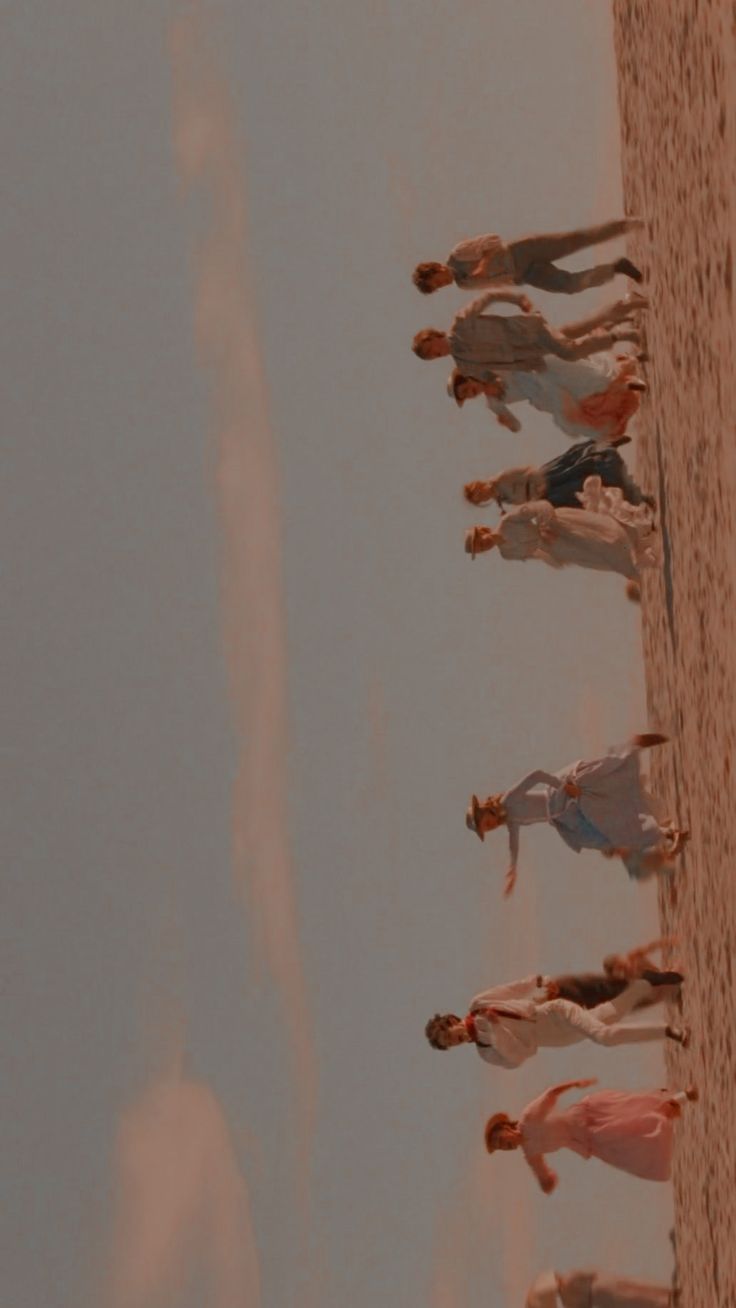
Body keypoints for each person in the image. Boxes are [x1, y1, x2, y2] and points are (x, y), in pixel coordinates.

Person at [465, 734, 689, 896]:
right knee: (609, 837)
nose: (492, 826)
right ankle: (668, 835)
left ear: (486, 810)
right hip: (562, 819)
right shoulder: (510, 820)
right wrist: (512, 869)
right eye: (488, 828)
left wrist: (563, 786)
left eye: (487, 823)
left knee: (608, 819)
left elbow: (537, 775)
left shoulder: (508, 799)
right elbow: (513, 843)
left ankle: (665, 834)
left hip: (560, 798)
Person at [424, 969, 686, 1069]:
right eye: (453, 1043)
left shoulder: (478, 1005)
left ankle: (668, 1031)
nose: (457, 1039)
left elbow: (509, 989)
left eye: (452, 1034)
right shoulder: (486, 1052)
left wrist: (538, 981)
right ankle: (644, 983)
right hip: (555, 1039)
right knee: (613, 1013)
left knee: (604, 1038)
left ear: (452, 1020)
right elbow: (519, 1055)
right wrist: (495, 1032)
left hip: (552, 1013)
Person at [484, 1079, 698, 1190]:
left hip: (586, 1116)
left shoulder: (528, 1117)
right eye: (503, 1147)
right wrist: (546, 1183)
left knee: (637, 1110)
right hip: (588, 1141)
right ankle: (679, 1102)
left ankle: (683, 1097)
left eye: (503, 1141)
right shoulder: (530, 1153)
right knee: (634, 1136)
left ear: (506, 1128)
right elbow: (543, 1174)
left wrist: (575, 1084)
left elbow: (551, 1093)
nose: (507, 1145)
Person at [447, 334, 646, 442]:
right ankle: (623, 389)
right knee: (575, 417)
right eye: (467, 397)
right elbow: (517, 427)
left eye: (466, 390)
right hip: (543, 395)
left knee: (587, 381)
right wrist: (506, 422)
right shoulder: (494, 403)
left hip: (542, 369)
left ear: (468, 377)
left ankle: (624, 379)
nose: (471, 394)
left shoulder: (491, 365)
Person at [412, 291, 641, 381]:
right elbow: (499, 368)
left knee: (569, 352)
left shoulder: (461, 323)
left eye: (433, 348)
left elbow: (488, 297)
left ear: (434, 336)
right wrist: (527, 366)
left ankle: (621, 334)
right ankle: (623, 306)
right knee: (578, 329)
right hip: (529, 351)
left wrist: (517, 300)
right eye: (434, 356)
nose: (438, 353)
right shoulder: (465, 366)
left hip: (525, 330)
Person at [464, 478, 660, 582]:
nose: (484, 545)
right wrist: (553, 556)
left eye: (480, 541)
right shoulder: (507, 554)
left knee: (608, 537)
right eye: (480, 548)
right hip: (560, 548)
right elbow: (535, 554)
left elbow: (540, 507)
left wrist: (545, 525)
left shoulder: (508, 522)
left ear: (483, 531)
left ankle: (641, 533)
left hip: (562, 526)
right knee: (602, 557)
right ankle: (642, 556)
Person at [412, 217, 643, 296]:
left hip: (522, 251)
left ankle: (626, 225)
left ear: (437, 269)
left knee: (577, 240)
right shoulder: (463, 285)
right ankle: (617, 268)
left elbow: (492, 240)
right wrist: (515, 284)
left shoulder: (457, 254)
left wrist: (484, 263)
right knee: (569, 286)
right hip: (524, 275)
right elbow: (495, 284)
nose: (444, 284)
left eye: (438, 280)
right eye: (439, 287)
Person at [463, 440, 654, 512]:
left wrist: (538, 486)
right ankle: (634, 500)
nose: (484, 496)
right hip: (547, 497)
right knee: (585, 497)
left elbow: (527, 471)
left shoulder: (501, 478)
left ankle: (608, 451)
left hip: (548, 479)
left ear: (480, 486)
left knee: (583, 469)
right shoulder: (502, 500)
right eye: (481, 499)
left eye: (480, 493)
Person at [525, 1266, 676, 1308]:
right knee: (633, 1287)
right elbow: (589, 1273)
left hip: (600, 1300)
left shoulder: (567, 1303)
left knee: (634, 1300)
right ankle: (666, 1292)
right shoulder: (570, 1278)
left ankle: (663, 1302)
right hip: (601, 1284)